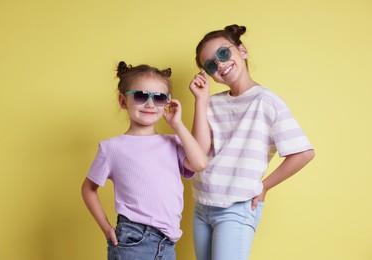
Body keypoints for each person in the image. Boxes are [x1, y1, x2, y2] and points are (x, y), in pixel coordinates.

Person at [189, 24, 315, 260]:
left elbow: (304, 152)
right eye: (210, 65)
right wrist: (200, 101)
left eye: (224, 54)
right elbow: (201, 151)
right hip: (202, 204)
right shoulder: (211, 103)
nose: (220, 64)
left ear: (242, 51)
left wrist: (264, 186)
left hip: (236, 207)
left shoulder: (266, 100)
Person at [82, 61, 208, 260]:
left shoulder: (174, 142)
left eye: (159, 98)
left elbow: (200, 163)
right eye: (141, 96)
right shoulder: (112, 148)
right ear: (123, 101)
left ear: (167, 103)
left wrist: (177, 125)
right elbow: (88, 189)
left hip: (167, 241)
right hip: (133, 240)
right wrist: (106, 228)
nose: (150, 104)